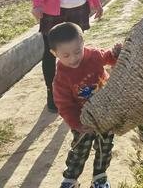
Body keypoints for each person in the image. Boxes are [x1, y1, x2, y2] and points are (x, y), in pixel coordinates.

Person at [48, 22, 120, 188]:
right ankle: (70, 179)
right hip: (83, 120)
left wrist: (115, 52)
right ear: (54, 53)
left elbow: (108, 57)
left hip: (105, 113)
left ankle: (99, 178)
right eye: (66, 55)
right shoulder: (61, 78)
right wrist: (77, 124)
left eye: (77, 51)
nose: (73, 58)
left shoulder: (93, 55)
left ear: (83, 43)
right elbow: (64, 106)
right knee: (80, 149)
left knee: (105, 147)